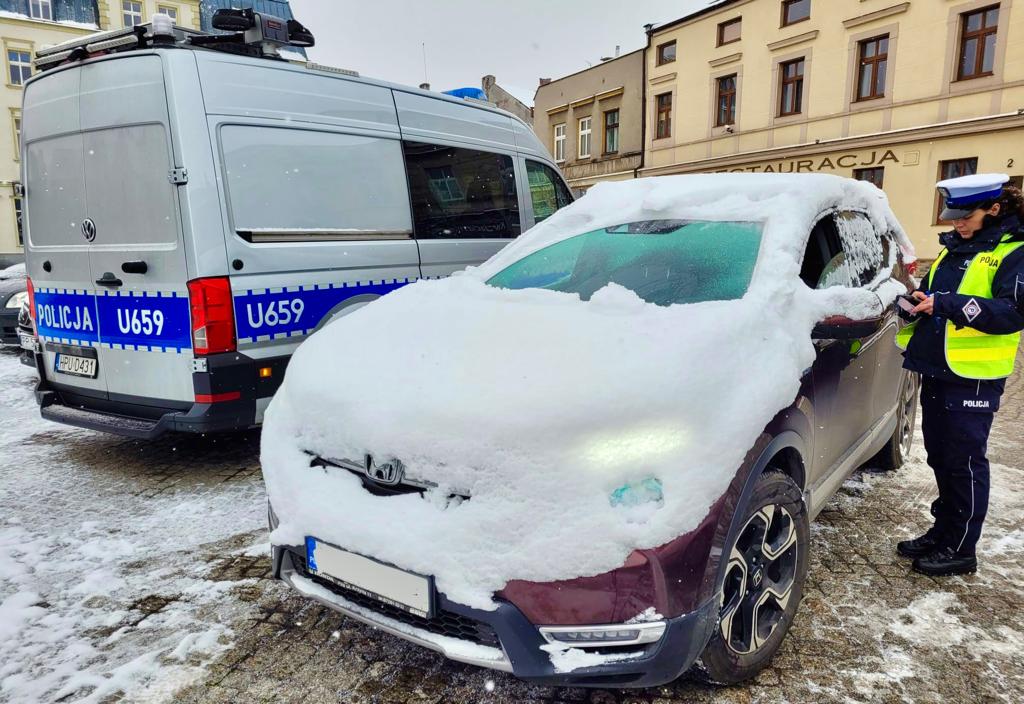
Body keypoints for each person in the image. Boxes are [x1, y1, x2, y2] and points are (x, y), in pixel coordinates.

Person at [894, 173, 1024, 576]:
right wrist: (915, 302)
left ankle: (962, 547)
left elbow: (1012, 313)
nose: (958, 224)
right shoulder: (954, 249)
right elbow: (933, 293)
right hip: (937, 368)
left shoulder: (1014, 252)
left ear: (994, 209)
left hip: (975, 377)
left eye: (967, 217)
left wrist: (947, 304)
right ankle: (943, 532)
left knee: (964, 462)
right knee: (941, 456)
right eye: (954, 217)